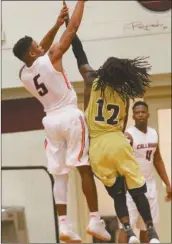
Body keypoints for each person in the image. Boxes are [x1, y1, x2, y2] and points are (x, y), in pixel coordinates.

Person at [12, 1, 110, 243]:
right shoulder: (52, 56)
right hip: (69, 116)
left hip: (50, 121)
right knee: (84, 167)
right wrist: (81, 3)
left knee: (59, 175)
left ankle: (64, 225)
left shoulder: (23, 74)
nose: (41, 45)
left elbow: (40, 48)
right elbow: (74, 27)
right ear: (34, 52)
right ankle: (95, 219)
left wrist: (56, 23)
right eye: (37, 45)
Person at [65, 12, 160, 244]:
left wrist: (69, 26)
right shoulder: (124, 94)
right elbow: (124, 120)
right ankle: (153, 232)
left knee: (117, 191)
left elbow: (79, 52)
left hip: (98, 146)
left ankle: (128, 231)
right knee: (138, 189)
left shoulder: (91, 79)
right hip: (118, 140)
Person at [118, 101, 172, 243]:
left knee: (147, 227)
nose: (140, 114)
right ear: (133, 116)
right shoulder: (128, 135)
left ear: (148, 114)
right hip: (131, 185)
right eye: (137, 112)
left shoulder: (154, 133)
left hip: (149, 184)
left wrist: (167, 183)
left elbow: (157, 159)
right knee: (126, 227)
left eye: (143, 112)